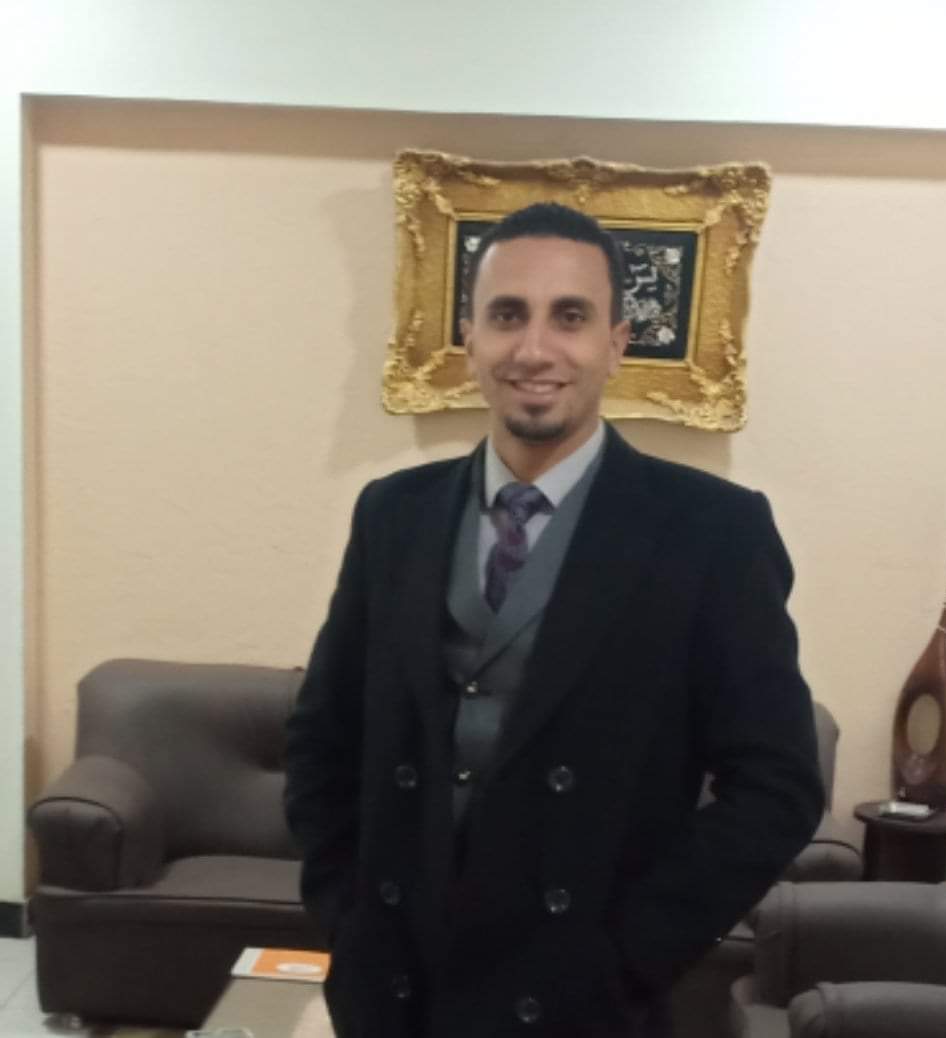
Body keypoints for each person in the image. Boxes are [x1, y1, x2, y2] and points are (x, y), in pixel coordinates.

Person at [284, 202, 823, 1038]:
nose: (534, 350)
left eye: (570, 317)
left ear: (616, 342)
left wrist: (629, 957)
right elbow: (323, 736)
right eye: (508, 315)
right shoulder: (393, 514)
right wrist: (346, 916)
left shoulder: (712, 531)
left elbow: (778, 787)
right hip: (393, 990)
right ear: (470, 339)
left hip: (577, 1002)